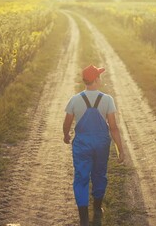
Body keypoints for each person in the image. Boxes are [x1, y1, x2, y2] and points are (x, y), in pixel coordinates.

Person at [63, 64, 125, 226]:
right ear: (96, 80)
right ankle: (97, 208)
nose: (101, 78)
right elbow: (113, 127)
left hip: (82, 144)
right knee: (99, 174)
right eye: (99, 76)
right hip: (101, 144)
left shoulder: (75, 100)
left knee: (81, 177)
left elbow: (67, 122)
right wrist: (120, 150)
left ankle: (83, 216)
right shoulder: (107, 100)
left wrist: (66, 135)